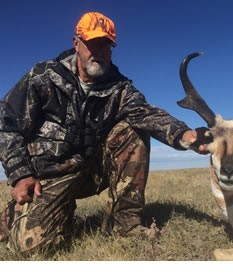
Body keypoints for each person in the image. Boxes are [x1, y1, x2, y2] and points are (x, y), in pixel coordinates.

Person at [0, 11, 210, 255]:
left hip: (92, 171)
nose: (99, 52)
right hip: (49, 177)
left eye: (106, 46)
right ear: (76, 43)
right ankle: (15, 215)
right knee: (32, 249)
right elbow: (6, 123)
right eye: (92, 44)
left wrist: (186, 136)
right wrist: (20, 174)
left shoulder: (120, 88)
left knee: (133, 130)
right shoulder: (43, 77)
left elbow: (148, 114)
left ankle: (125, 225)